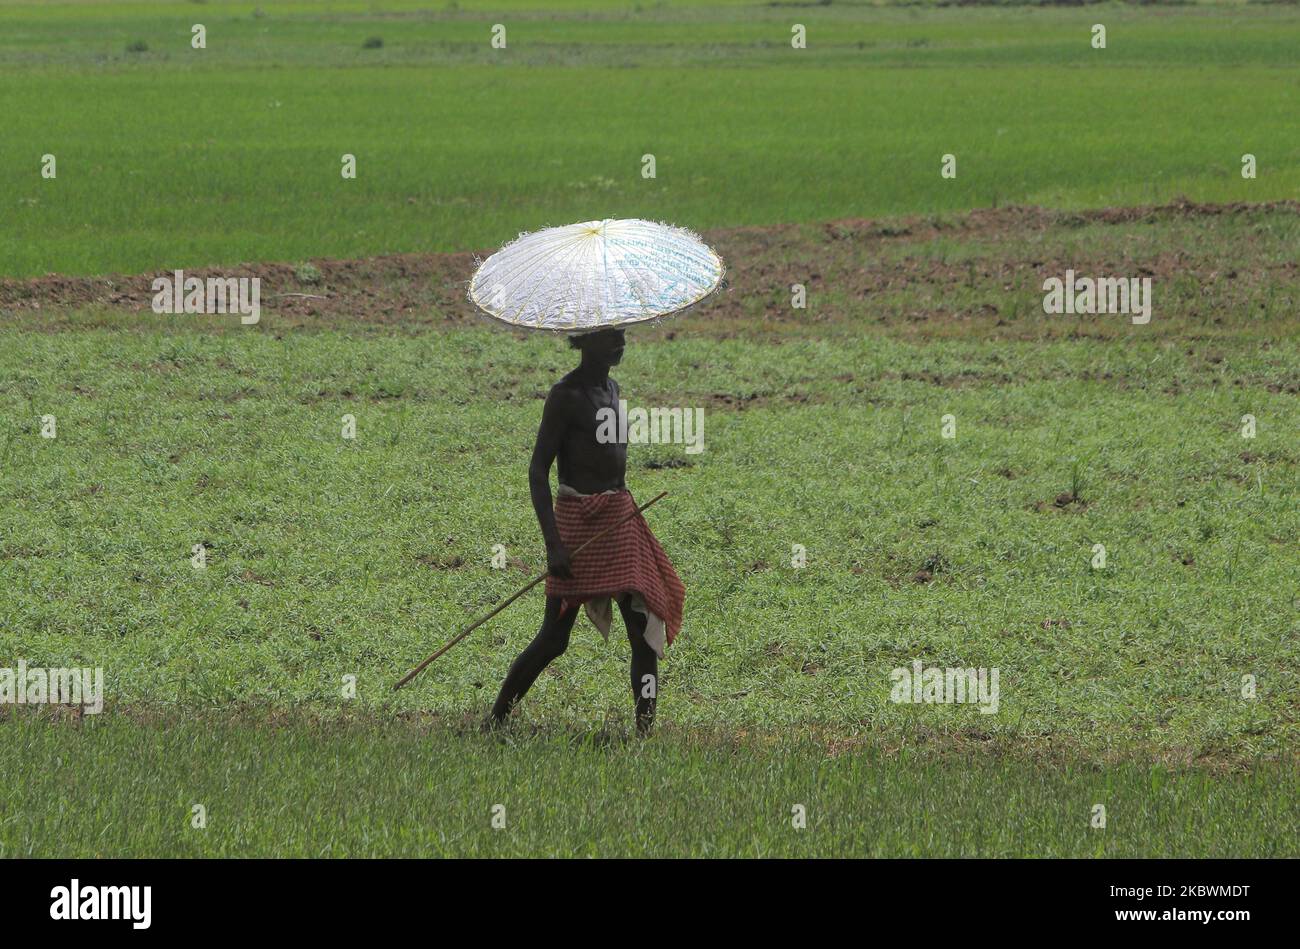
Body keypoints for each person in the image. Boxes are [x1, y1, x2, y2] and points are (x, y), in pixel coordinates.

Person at [487, 327, 684, 735]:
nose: (620, 343)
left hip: (620, 518)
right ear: (584, 341)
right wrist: (553, 543)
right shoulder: (566, 396)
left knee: (643, 633)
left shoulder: (612, 389)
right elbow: (538, 471)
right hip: (578, 522)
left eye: (622, 335)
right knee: (554, 639)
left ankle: (644, 734)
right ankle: (497, 718)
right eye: (610, 337)